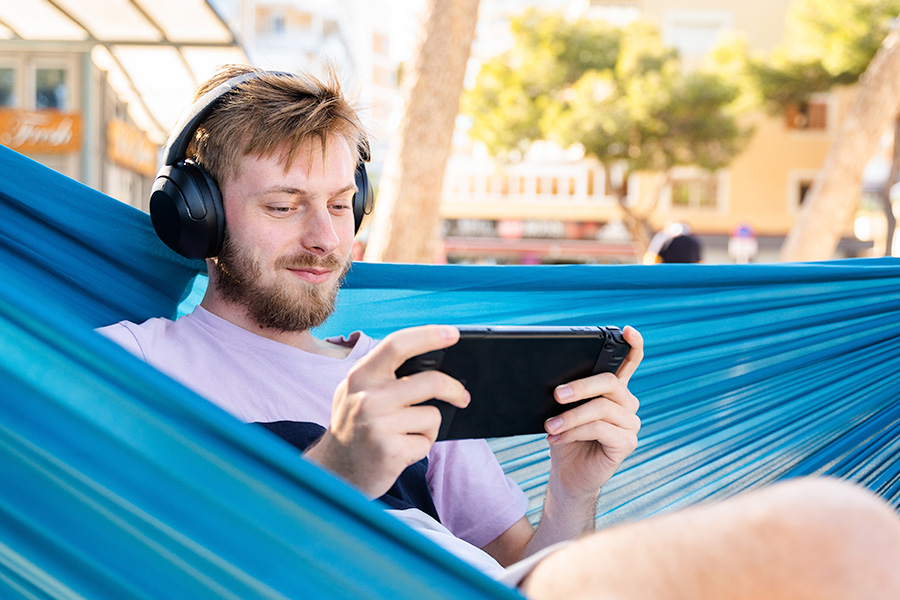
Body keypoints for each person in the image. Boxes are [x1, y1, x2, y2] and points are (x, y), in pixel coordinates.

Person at [99, 65, 900, 599]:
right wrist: (338, 473)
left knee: (845, 545)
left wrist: (574, 489)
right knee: (842, 531)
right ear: (196, 215)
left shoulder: (405, 373)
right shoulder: (127, 365)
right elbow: (135, 564)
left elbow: (528, 566)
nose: (325, 238)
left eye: (341, 205)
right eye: (284, 206)